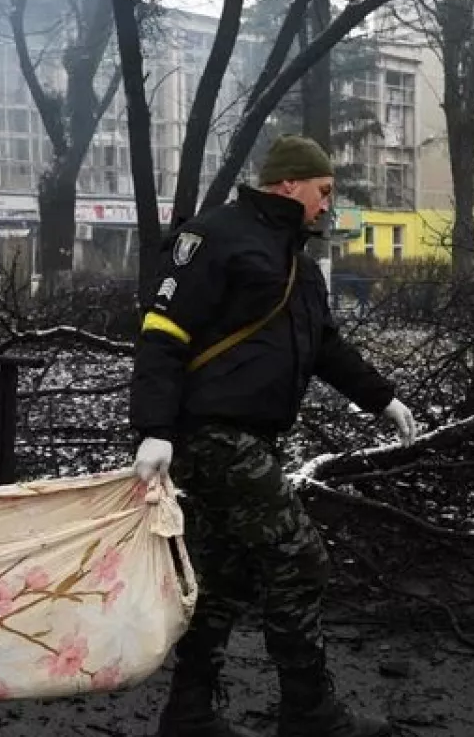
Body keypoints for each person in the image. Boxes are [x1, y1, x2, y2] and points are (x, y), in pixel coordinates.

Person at [131, 135, 417, 737]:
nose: (327, 205)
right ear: (289, 183)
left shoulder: (300, 266)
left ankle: (188, 714)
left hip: (253, 441)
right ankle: (310, 714)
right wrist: (155, 430)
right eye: (323, 192)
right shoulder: (213, 238)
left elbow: (327, 348)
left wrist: (381, 397)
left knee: (227, 574)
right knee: (300, 559)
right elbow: (162, 332)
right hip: (211, 436)